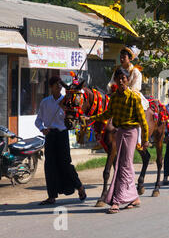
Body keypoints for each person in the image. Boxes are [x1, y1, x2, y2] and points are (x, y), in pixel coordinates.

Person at [83, 68, 149, 214]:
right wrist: (91, 118)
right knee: (126, 165)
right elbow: (108, 113)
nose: (120, 81)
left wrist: (144, 140)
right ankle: (134, 198)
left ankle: (117, 201)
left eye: (123, 78)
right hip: (119, 133)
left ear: (127, 80)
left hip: (131, 133)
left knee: (122, 165)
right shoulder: (114, 98)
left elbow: (143, 121)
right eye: (118, 78)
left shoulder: (134, 97)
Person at [35, 76, 86, 205]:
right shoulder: (45, 102)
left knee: (65, 164)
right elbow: (38, 120)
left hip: (62, 135)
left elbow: (74, 115)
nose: (59, 87)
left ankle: (79, 187)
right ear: (50, 87)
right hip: (50, 135)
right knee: (50, 166)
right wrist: (42, 129)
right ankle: (51, 196)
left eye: (60, 85)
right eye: (56, 85)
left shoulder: (67, 100)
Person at [107, 46, 149, 150]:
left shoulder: (135, 71)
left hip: (132, 94)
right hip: (118, 93)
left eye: (124, 57)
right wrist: (111, 88)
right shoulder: (117, 70)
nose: (121, 59)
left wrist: (125, 90)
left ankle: (139, 140)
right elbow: (111, 82)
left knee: (138, 113)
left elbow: (136, 87)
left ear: (130, 58)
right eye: (120, 57)